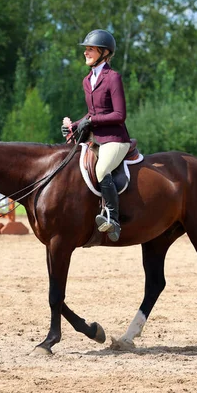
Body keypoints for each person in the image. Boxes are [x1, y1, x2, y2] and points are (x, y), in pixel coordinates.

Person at [61, 29, 131, 242]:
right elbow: (93, 113)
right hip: (96, 139)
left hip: (115, 140)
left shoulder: (113, 78)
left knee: (101, 170)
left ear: (104, 52)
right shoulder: (87, 80)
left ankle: (113, 218)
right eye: (86, 49)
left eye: (90, 49)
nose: (86, 52)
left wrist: (90, 122)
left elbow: (119, 114)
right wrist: (74, 126)